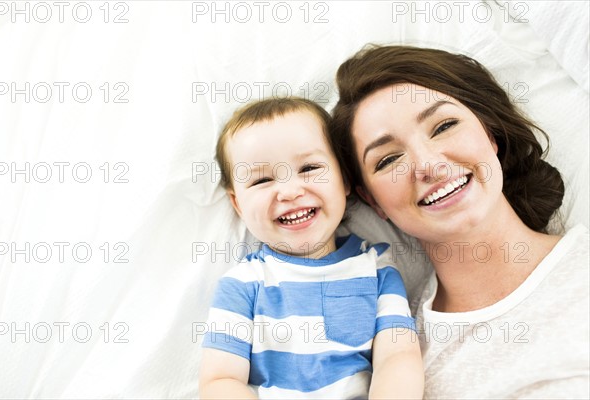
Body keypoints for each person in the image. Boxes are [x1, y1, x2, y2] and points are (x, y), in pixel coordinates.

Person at [330, 45, 589, 399]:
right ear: (374, 201)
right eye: (389, 159)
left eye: (445, 126)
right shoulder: (399, 360)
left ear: (490, 134)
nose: (429, 165)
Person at [199, 97, 424, 399]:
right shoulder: (243, 284)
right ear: (238, 204)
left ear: (344, 178)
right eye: (262, 180)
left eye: (309, 168)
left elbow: (398, 358)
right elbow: (220, 380)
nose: (290, 192)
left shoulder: (377, 269)